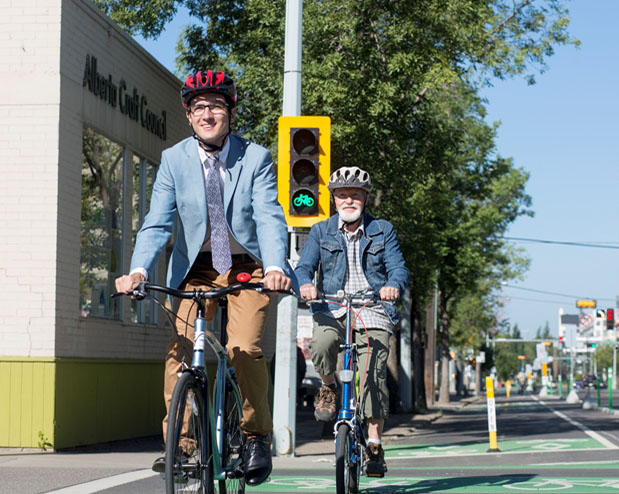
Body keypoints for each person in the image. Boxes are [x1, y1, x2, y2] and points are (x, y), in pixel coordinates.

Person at [114, 70, 292, 486]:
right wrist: (139, 269)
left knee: (243, 348)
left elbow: (268, 217)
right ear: (189, 115)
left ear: (230, 112)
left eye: (215, 106)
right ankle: (182, 445)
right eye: (198, 108)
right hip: (197, 267)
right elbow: (157, 223)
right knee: (179, 349)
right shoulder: (174, 159)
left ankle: (255, 436)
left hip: (246, 263)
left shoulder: (256, 158)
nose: (206, 114)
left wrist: (278, 266)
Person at [295, 166, 409, 478]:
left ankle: (373, 443)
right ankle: (328, 386)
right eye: (343, 195)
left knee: (373, 376)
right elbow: (305, 267)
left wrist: (393, 285)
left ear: (365, 199)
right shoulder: (321, 231)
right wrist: (305, 283)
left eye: (355, 195)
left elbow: (398, 268)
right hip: (332, 307)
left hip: (373, 308)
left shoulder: (382, 230)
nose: (349, 200)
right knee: (322, 343)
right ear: (334, 200)